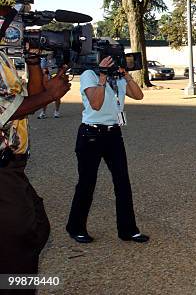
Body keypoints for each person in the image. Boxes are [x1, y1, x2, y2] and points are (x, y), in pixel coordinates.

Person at [0, 45, 70, 282]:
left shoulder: (2, 57)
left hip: (13, 166)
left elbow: (26, 100)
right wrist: (50, 95)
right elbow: (6, 109)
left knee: (37, 228)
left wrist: (33, 64)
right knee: (20, 240)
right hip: (3, 171)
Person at [66, 56, 149, 244]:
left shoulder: (118, 78)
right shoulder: (89, 75)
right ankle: (76, 227)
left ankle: (128, 230)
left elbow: (138, 95)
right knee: (87, 183)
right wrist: (102, 76)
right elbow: (95, 104)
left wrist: (126, 76)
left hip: (113, 134)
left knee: (122, 182)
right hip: (91, 135)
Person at [37, 54, 62, 119]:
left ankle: (56, 111)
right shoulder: (43, 60)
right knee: (45, 97)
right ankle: (43, 112)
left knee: (57, 96)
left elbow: (60, 69)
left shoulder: (57, 59)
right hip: (47, 80)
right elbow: (42, 70)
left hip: (55, 80)